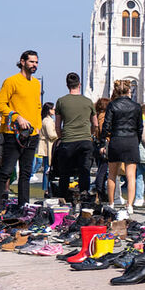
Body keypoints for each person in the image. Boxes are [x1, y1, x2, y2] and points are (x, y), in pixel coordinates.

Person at [0, 49, 43, 208]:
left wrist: (38, 126)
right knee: (5, 170)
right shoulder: (11, 81)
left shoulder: (36, 83)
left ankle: (24, 206)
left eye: (36, 62)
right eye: (31, 61)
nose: (34, 65)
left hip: (32, 134)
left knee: (26, 173)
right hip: (13, 133)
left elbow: (38, 107)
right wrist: (16, 116)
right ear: (22, 61)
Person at [52, 74, 95, 204]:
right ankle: (84, 195)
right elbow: (95, 124)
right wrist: (90, 135)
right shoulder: (88, 102)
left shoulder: (61, 101)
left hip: (68, 140)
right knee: (84, 170)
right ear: (79, 84)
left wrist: (60, 137)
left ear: (67, 85)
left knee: (64, 172)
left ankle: (63, 197)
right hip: (85, 140)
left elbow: (57, 124)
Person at [101, 80, 142, 211]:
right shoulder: (136, 106)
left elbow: (106, 125)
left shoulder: (112, 105)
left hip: (116, 140)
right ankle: (129, 205)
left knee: (112, 174)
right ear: (129, 90)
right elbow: (139, 127)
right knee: (131, 176)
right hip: (131, 140)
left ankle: (111, 203)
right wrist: (137, 140)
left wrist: (104, 140)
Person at [35, 103, 58, 194]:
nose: (54, 111)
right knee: (47, 169)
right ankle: (47, 189)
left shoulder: (47, 120)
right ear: (49, 110)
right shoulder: (47, 121)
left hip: (48, 146)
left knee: (47, 168)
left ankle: (47, 188)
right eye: (53, 109)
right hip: (48, 146)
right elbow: (51, 135)